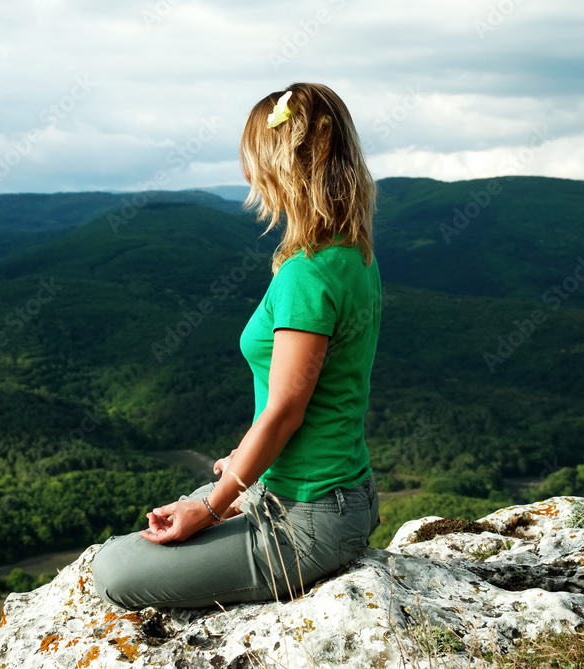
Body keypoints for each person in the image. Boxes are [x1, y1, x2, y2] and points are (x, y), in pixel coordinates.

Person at [91, 83, 383, 609]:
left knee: (112, 568)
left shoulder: (306, 275)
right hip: (336, 496)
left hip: (309, 518)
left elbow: (285, 412)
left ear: (283, 166)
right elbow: (317, 397)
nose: (249, 176)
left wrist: (211, 509)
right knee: (165, 520)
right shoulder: (353, 255)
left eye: (255, 161)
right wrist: (244, 468)